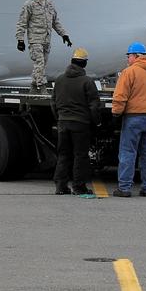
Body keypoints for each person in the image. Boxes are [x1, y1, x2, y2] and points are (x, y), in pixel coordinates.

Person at [111, 41, 146, 197]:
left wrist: (116, 113)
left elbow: (120, 96)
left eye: (129, 56)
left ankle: (124, 188)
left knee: (128, 153)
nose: (128, 59)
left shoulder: (129, 72)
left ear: (136, 56)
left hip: (134, 117)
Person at [52, 48, 101, 195]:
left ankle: (60, 186)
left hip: (63, 123)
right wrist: (96, 122)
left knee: (63, 155)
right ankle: (79, 187)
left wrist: (59, 118)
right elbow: (94, 105)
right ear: (84, 63)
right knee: (80, 155)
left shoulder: (59, 80)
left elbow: (53, 102)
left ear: (72, 61)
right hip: (80, 124)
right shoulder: (87, 81)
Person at [15, 0, 71, 90]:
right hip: (35, 39)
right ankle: (42, 87)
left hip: (46, 39)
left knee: (42, 65)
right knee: (39, 63)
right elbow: (22, 23)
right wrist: (20, 40)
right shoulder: (29, 4)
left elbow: (55, 21)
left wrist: (64, 35)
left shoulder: (50, 4)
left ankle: (34, 86)